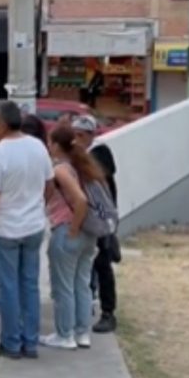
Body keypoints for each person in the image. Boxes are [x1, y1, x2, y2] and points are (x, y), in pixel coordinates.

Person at [0, 100, 54, 359]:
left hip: (5, 229)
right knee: (29, 285)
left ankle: (11, 342)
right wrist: (36, 206)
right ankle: (30, 342)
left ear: (2, 123)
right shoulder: (38, 146)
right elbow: (49, 185)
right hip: (33, 226)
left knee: (8, 287)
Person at [41, 125, 104, 350]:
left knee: (63, 286)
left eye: (50, 142)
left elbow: (80, 200)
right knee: (82, 284)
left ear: (57, 145)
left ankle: (64, 334)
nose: (48, 146)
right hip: (89, 234)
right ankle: (82, 332)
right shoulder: (82, 168)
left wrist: (73, 228)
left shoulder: (61, 170)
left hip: (68, 229)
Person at [71, 115, 120, 334]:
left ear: (91, 135)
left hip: (101, 217)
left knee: (102, 264)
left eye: (81, 135)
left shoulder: (99, 153)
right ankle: (86, 302)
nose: (77, 140)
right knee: (85, 264)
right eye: (75, 135)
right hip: (85, 217)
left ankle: (108, 312)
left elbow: (99, 175)